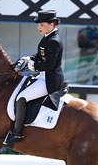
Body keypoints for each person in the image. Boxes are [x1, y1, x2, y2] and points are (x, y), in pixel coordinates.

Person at [4, 10, 64, 144]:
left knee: (21, 97)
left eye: (42, 24)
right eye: (39, 25)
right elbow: (40, 55)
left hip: (49, 79)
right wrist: (28, 58)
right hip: (41, 75)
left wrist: (33, 65)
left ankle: (17, 133)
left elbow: (49, 65)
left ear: (52, 24)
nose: (39, 28)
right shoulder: (47, 37)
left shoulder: (54, 41)